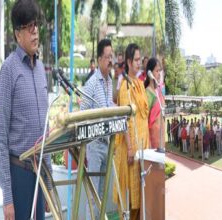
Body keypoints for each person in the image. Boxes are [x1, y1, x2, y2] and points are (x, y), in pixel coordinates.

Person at [0, 1, 50, 219]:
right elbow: (1, 139)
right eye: (29, 26)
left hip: (39, 175)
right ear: (18, 35)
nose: (35, 31)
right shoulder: (9, 70)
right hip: (19, 175)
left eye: (36, 24)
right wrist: (8, 197)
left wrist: (48, 183)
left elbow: (45, 131)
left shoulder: (40, 71)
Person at [113, 43, 150, 220]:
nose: (138, 63)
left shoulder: (141, 84)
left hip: (142, 150)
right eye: (135, 60)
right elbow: (124, 119)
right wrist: (129, 148)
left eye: (139, 60)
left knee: (139, 204)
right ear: (128, 61)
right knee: (129, 203)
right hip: (130, 151)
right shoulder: (125, 86)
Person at [81, 39, 114, 219]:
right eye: (108, 57)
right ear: (100, 59)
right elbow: (82, 112)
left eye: (112, 56)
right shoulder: (92, 83)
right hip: (94, 145)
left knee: (101, 194)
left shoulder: (110, 82)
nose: (111, 60)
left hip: (107, 143)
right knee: (93, 196)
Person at [144, 57, 165, 149]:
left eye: (160, 71)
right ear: (150, 73)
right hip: (153, 139)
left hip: (162, 136)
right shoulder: (147, 92)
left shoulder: (158, 91)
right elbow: (145, 120)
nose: (159, 74)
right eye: (157, 71)